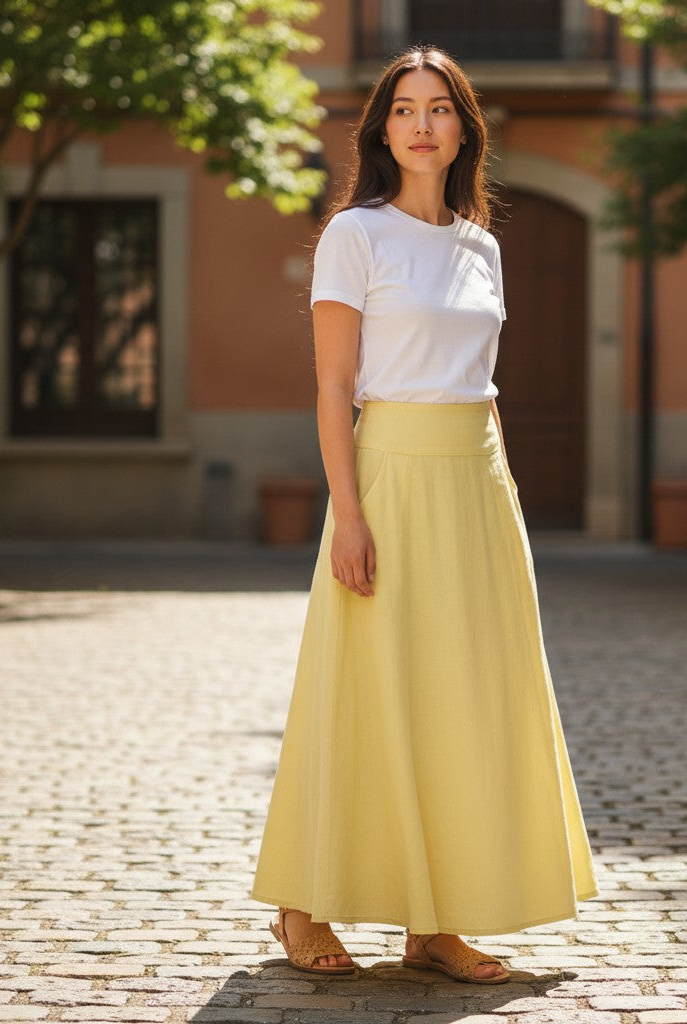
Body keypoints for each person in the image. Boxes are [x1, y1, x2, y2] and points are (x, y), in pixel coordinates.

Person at [250, 44, 597, 985]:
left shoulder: (481, 244)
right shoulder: (353, 235)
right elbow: (332, 389)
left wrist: (508, 505)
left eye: (439, 107)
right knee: (363, 688)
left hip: (477, 488)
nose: (421, 123)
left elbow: (484, 390)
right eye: (403, 108)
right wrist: (349, 515)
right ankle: (301, 904)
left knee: (462, 701)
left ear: (463, 129)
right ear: (381, 129)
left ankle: (434, 925)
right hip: (390, 480)